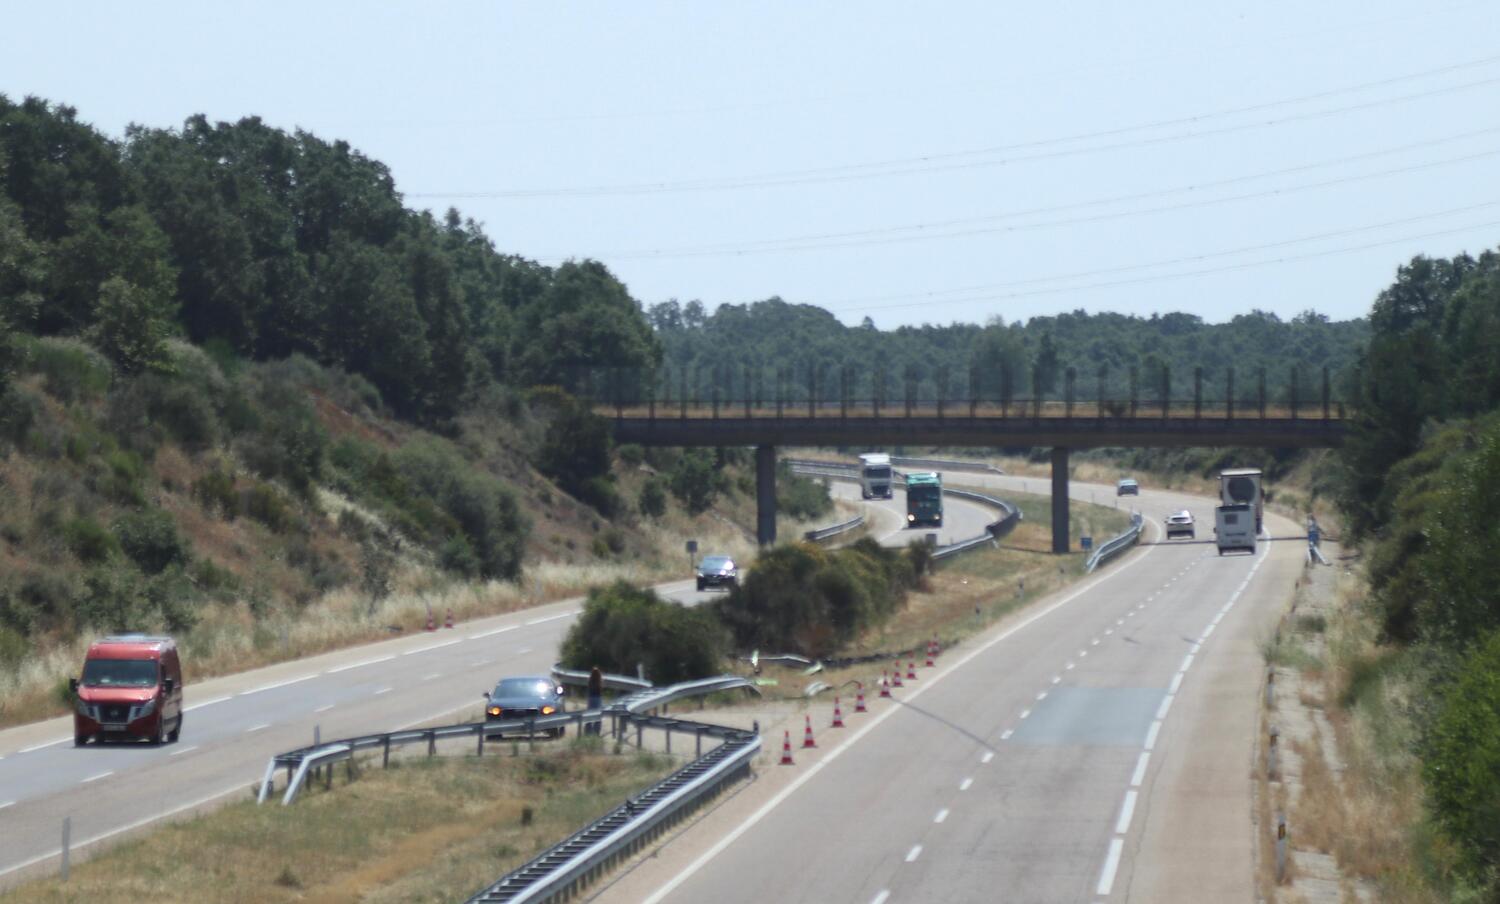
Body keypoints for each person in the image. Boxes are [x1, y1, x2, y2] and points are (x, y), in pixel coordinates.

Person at [587, 666, 604, 735]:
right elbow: (600, 690)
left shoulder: (590, 681)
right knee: (598, 715)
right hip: (597, 699)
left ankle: (588, 731)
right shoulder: (599, 681)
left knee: (589, 715)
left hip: (591, 698)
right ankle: (596, 731)